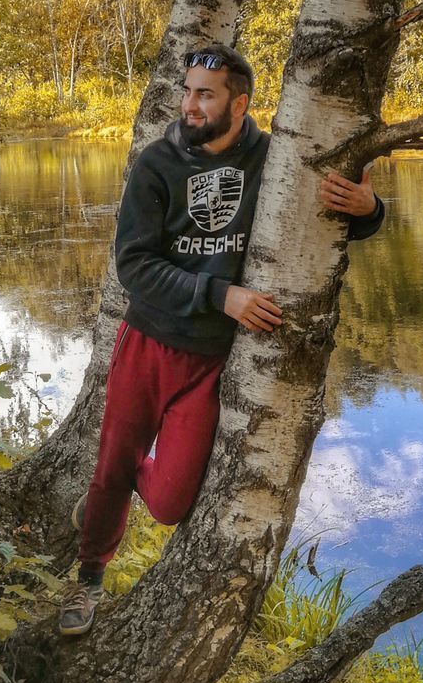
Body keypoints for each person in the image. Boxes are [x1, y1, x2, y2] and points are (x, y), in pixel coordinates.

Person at [59, 44, 384, 636]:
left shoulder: (276, 161)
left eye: (204, 94)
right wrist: (222, 296)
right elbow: (133, 266)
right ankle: (88, 579)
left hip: (213, 361)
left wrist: (370, 209)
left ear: (240, 102)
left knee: (170, 502)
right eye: (187, 91)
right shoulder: (157, 164)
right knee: (111, 463)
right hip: (150, 340)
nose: (188, 104)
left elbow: (324, 225)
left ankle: (130, 485)